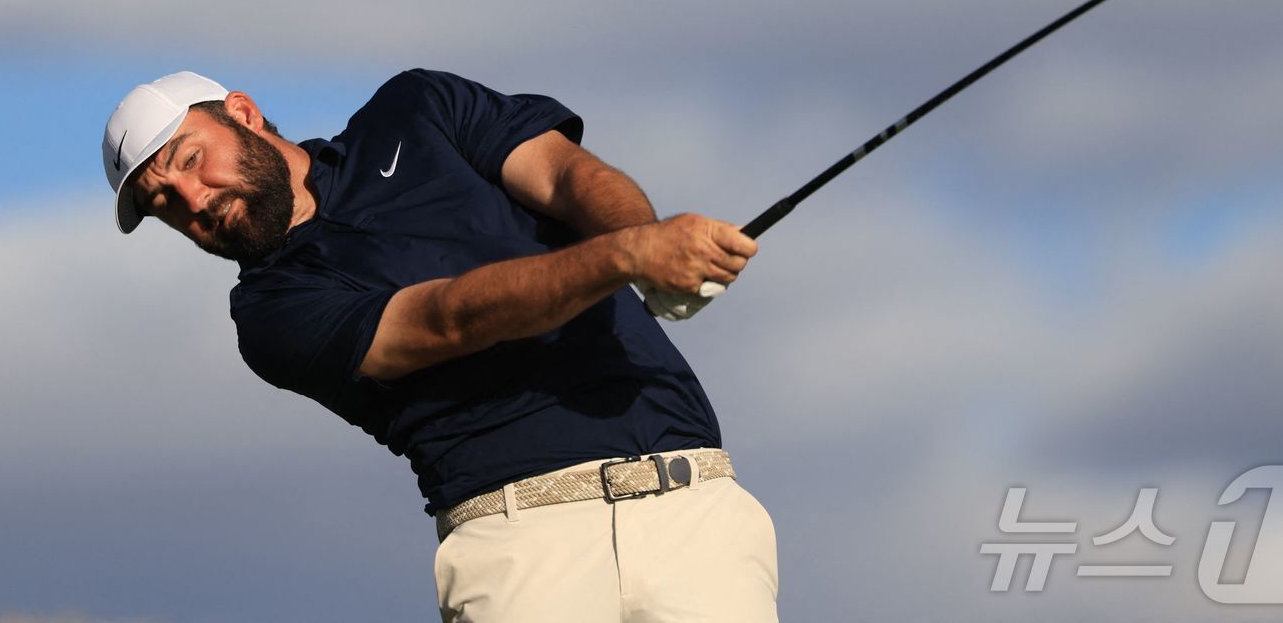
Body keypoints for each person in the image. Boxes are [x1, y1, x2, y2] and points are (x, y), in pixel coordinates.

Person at [102, 69, 778, 622]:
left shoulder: (415, 109)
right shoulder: (270, 314)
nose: (192, 198)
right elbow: (449, 319)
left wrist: (646, 243)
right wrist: (627, 257)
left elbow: (566, 176)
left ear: (244, 114)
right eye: (164, 203)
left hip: (693, 507)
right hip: (523, 552)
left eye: (191, 159)